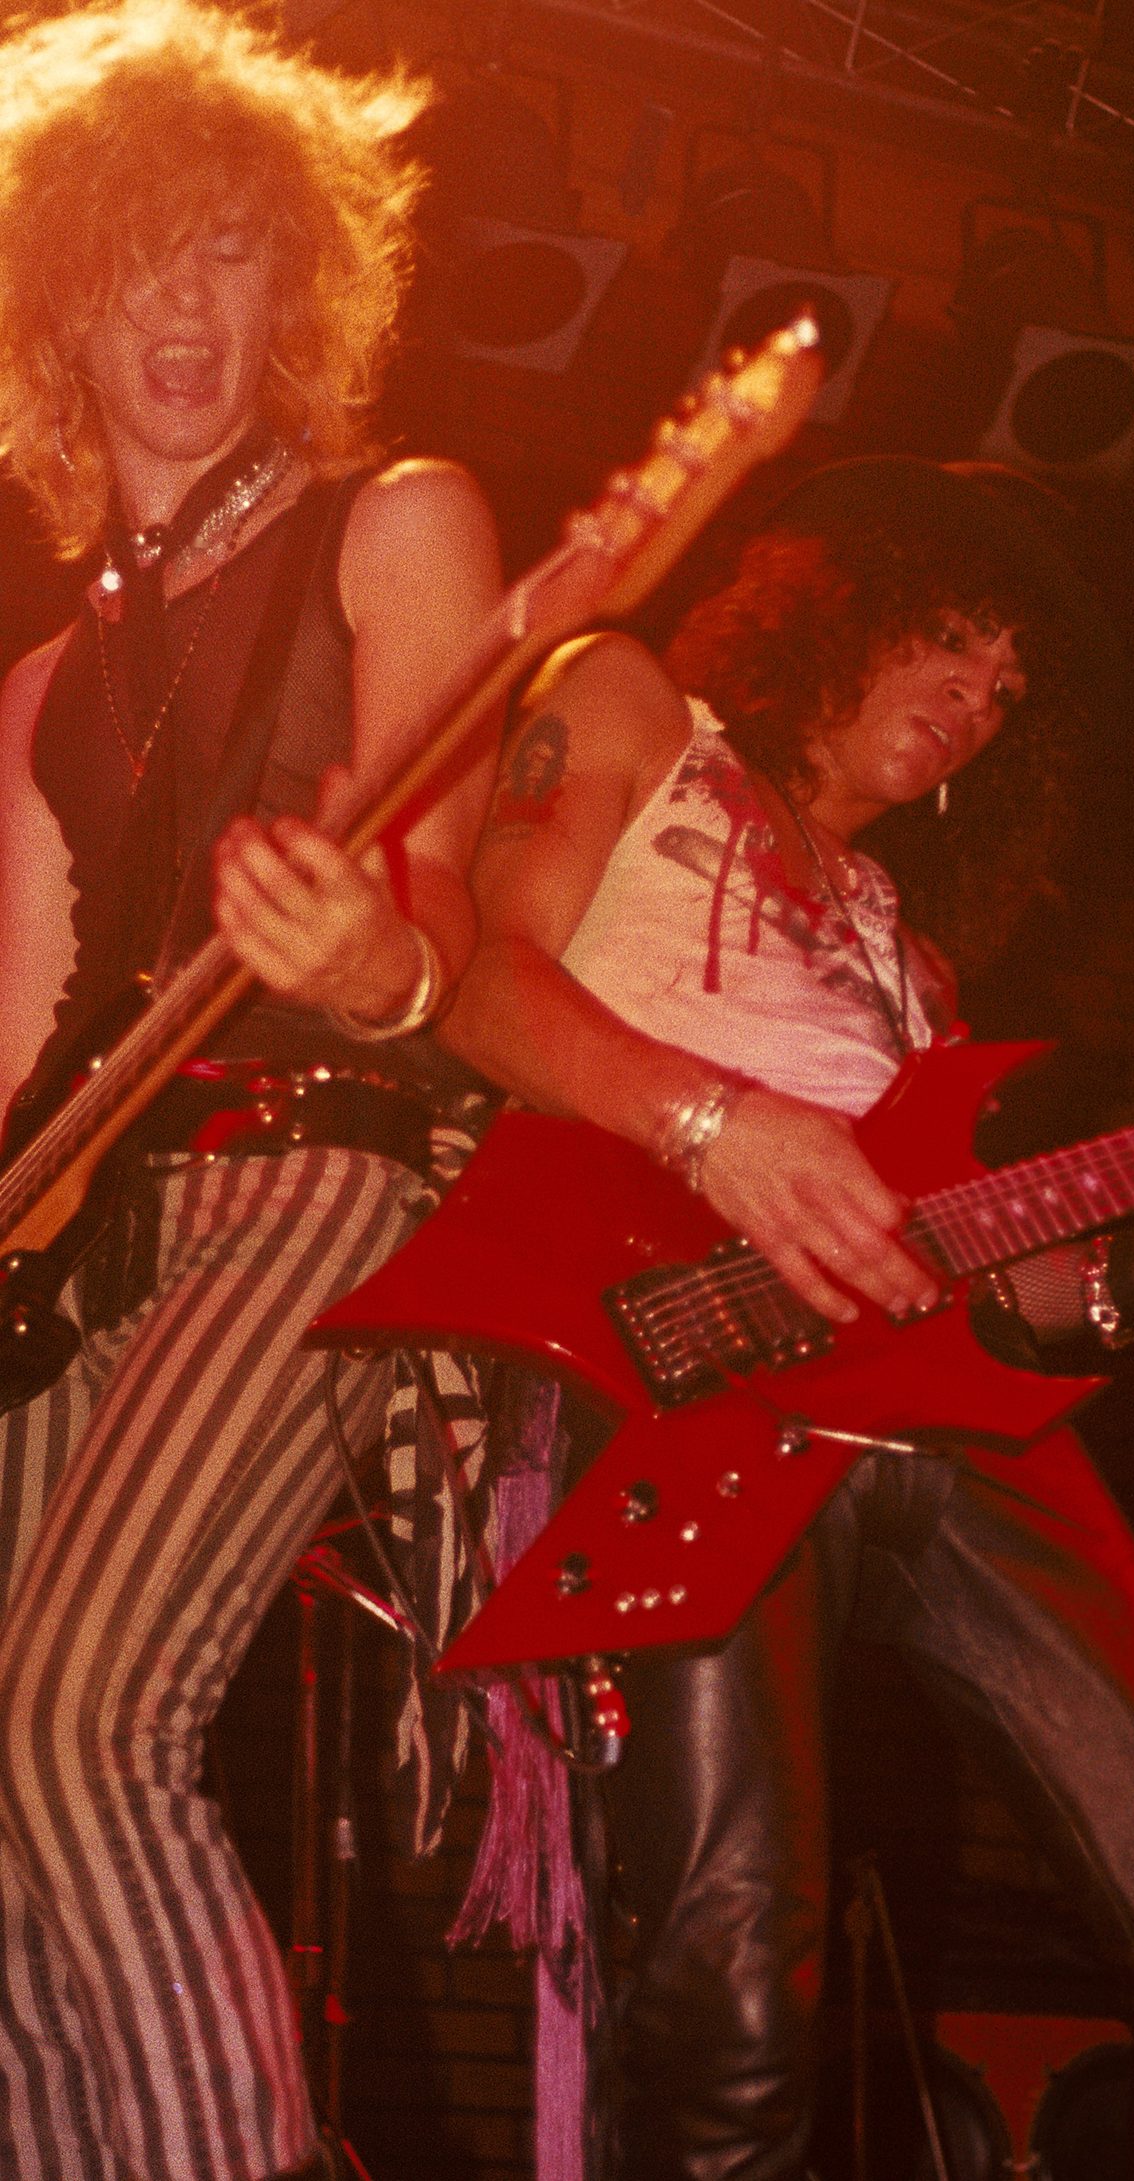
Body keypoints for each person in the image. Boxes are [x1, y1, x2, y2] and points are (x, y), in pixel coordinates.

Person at [441, 454, 1134, 2181]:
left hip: (937, 1419)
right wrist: (713, 1126)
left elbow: (1002, 1297)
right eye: (951, 644)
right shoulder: (637, 705)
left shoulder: (913, 962)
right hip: (682, 1362)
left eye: (1008, 692)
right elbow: (485, 982)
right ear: (838, 602)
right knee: (733, 1985)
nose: (973, 706)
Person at [0, 7, 504, 2179]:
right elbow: (24, 1049)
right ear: (57, 308)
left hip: (316, 1182)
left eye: (223, 260)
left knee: (77, 1718)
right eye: (135, 264)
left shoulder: (403, 523)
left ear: (288, 289)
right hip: (75, 1226)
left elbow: (451, 928)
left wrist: (373, 956)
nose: (180, 312)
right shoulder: (40, 683)